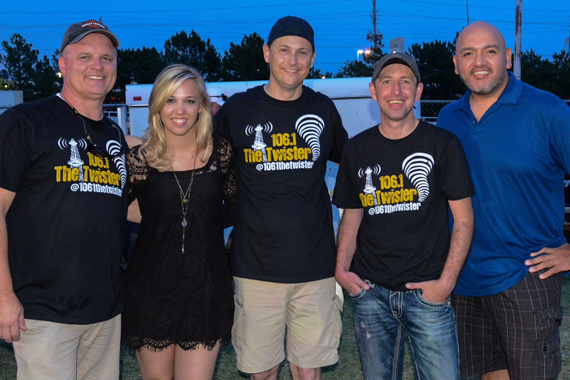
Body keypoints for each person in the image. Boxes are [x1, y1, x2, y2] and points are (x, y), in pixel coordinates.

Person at [215, 16, 348, 380]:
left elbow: (356, 164)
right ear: (266, 53)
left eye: (302, 52)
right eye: (284, 51)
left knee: (309, 369)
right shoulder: (238, 109)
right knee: (263, 369)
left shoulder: (322, 109)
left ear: (313, 58)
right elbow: (206, 165)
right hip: (256, 267)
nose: (293, 60)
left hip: (315, 266)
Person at [437, 21, 570, 380]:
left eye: (490, 51)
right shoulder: (449, 118)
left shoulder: (548, 111)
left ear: (508, 58)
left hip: (527, 274)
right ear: (456, 64)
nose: (479, 61)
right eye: (468, 53)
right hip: (465, 279)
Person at [333, 52, 474, 380]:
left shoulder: (443, 144)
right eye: (387, 82)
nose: (396, 91)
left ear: (419, 91)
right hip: (371, 294)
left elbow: (464, 220)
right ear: (373, 90)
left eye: (405, 82)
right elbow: (351, 218)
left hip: (428, 294)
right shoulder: (356, 150)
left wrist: (445, 285)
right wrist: (341, 270)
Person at [0, 20, 127, 379]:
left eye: (106, 58)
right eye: (84, 56)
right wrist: (3, 295)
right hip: (43, 310)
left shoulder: (114, 134)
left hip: (105, 310)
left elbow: (119, 210)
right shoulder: (25, 121)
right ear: (61, 63)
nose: (97, 66)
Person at [122, 64, 235, 380]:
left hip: (206, 290)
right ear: (157, 105)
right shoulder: (138, 160)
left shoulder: (221, 154)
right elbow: (112, 212)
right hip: (150, 290)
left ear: (202, 105)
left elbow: (240, 209)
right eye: (170, 100)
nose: (180, 110)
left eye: (189, 100)